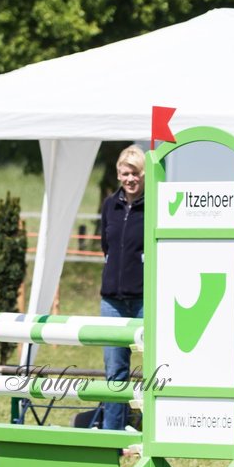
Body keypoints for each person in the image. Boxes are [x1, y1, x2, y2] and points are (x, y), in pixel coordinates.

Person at [97, 145, 146, 431]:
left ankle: (152, 431)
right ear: (118, 174)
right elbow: (107, 247)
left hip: (143, 298)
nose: (130, 179)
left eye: (136, 173)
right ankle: (111, 435)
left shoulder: (153, 206)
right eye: (125, 173)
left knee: (156, 368)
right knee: (115, 371)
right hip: (112, 301)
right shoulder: (109, 206)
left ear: (143, 175)